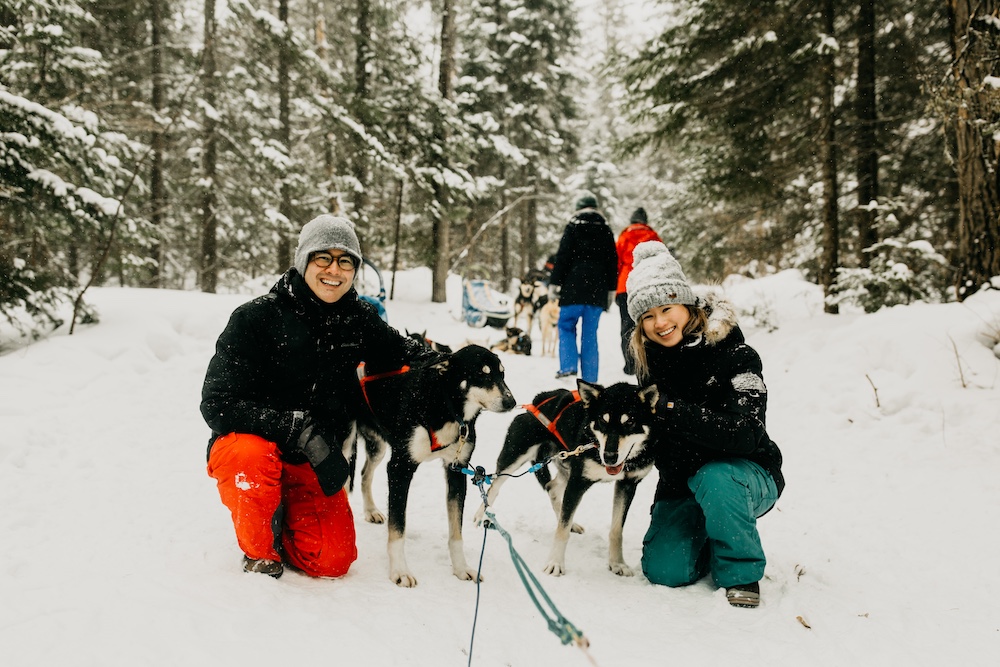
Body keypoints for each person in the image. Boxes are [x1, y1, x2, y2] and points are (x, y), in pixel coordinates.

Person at [201, 214, 437, 579]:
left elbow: (399, 349)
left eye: (345, 261)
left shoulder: (357, 317)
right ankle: (260, 551)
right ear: (303, 261)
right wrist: (289, 425)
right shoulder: (256, 318)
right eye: (322, 257)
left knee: (333, 560)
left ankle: (282, 515)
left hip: (311, 454)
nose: (334, 269)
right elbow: (217, 403)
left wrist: (448, 363)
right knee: (252, 456)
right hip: (250, 443)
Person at [625, 241, 784, 608]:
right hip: (682, 480)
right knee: (665, 571)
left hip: (746, 474)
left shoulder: (737, 355)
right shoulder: (649, 365)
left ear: (687, 305)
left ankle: (741, 572)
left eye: (667, 309)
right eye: (647, 316)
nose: (660, 323)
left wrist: (671, 409)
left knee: (716, 477)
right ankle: (712, 530)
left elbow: (745, 434)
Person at [548, 193, 617, 382]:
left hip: (573, 288)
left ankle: (568, 367)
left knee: (566, 326)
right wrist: (611, 290)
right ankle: (590, 379)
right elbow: (612, 261)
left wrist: (554, 283)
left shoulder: (572, 226)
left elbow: (562, 257)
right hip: (597, 291)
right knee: (589, 334)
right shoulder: (605, 229)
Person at [615, 207, 662, 375]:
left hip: (625, 286)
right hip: (647, 284)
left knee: (627, 326)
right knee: (648, 324)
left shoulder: (624, 236)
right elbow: (661, 261)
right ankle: (648, 361)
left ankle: (630, 365)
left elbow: (617, 263)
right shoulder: (653, 236)